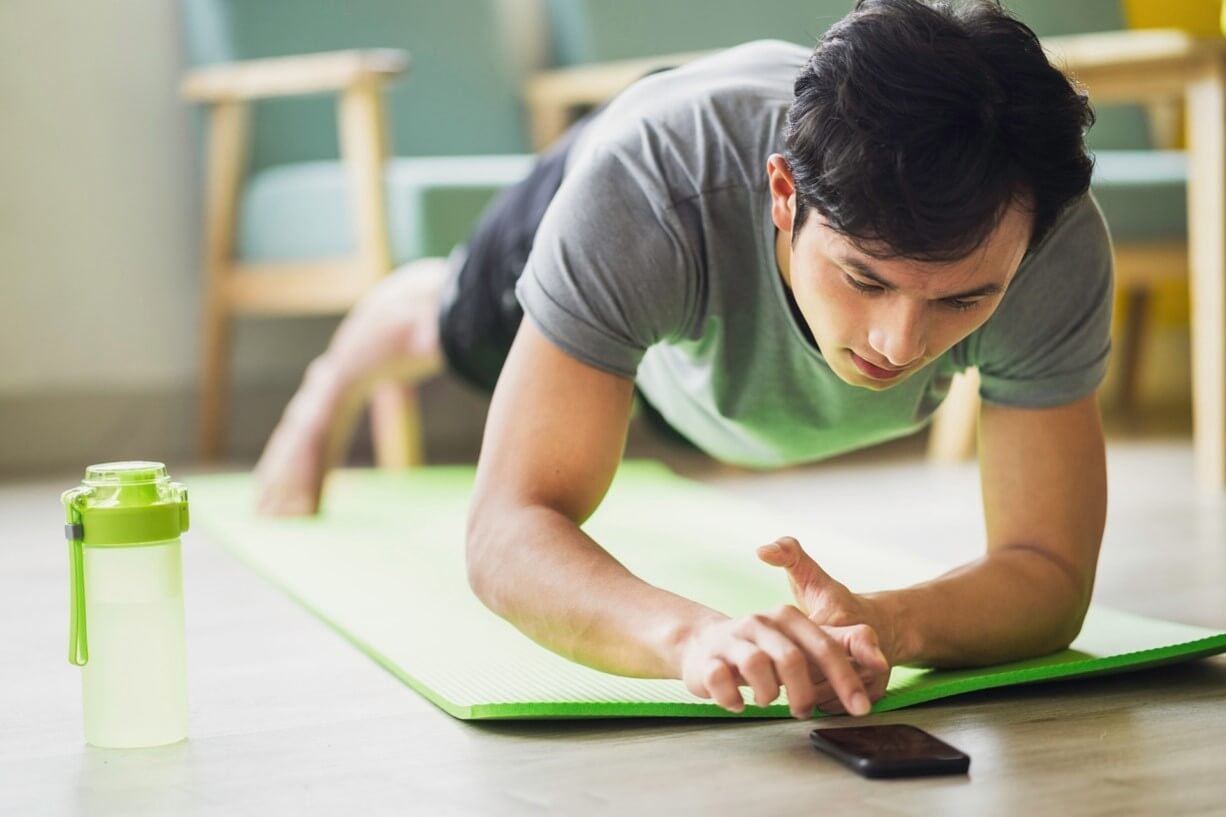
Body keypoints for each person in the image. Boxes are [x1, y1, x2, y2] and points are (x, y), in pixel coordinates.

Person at [254, 0, 1112, 720]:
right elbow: (506, 528)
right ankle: (331, 381)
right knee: (443, 332)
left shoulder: (1051, 240)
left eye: (963, 299)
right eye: (864, 278)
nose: (899, 345)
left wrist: (888, 621)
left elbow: (1050, 570)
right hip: (653, 224)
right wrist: (691, 637)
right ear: (785, 197)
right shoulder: (645, 191)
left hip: (704, 361)